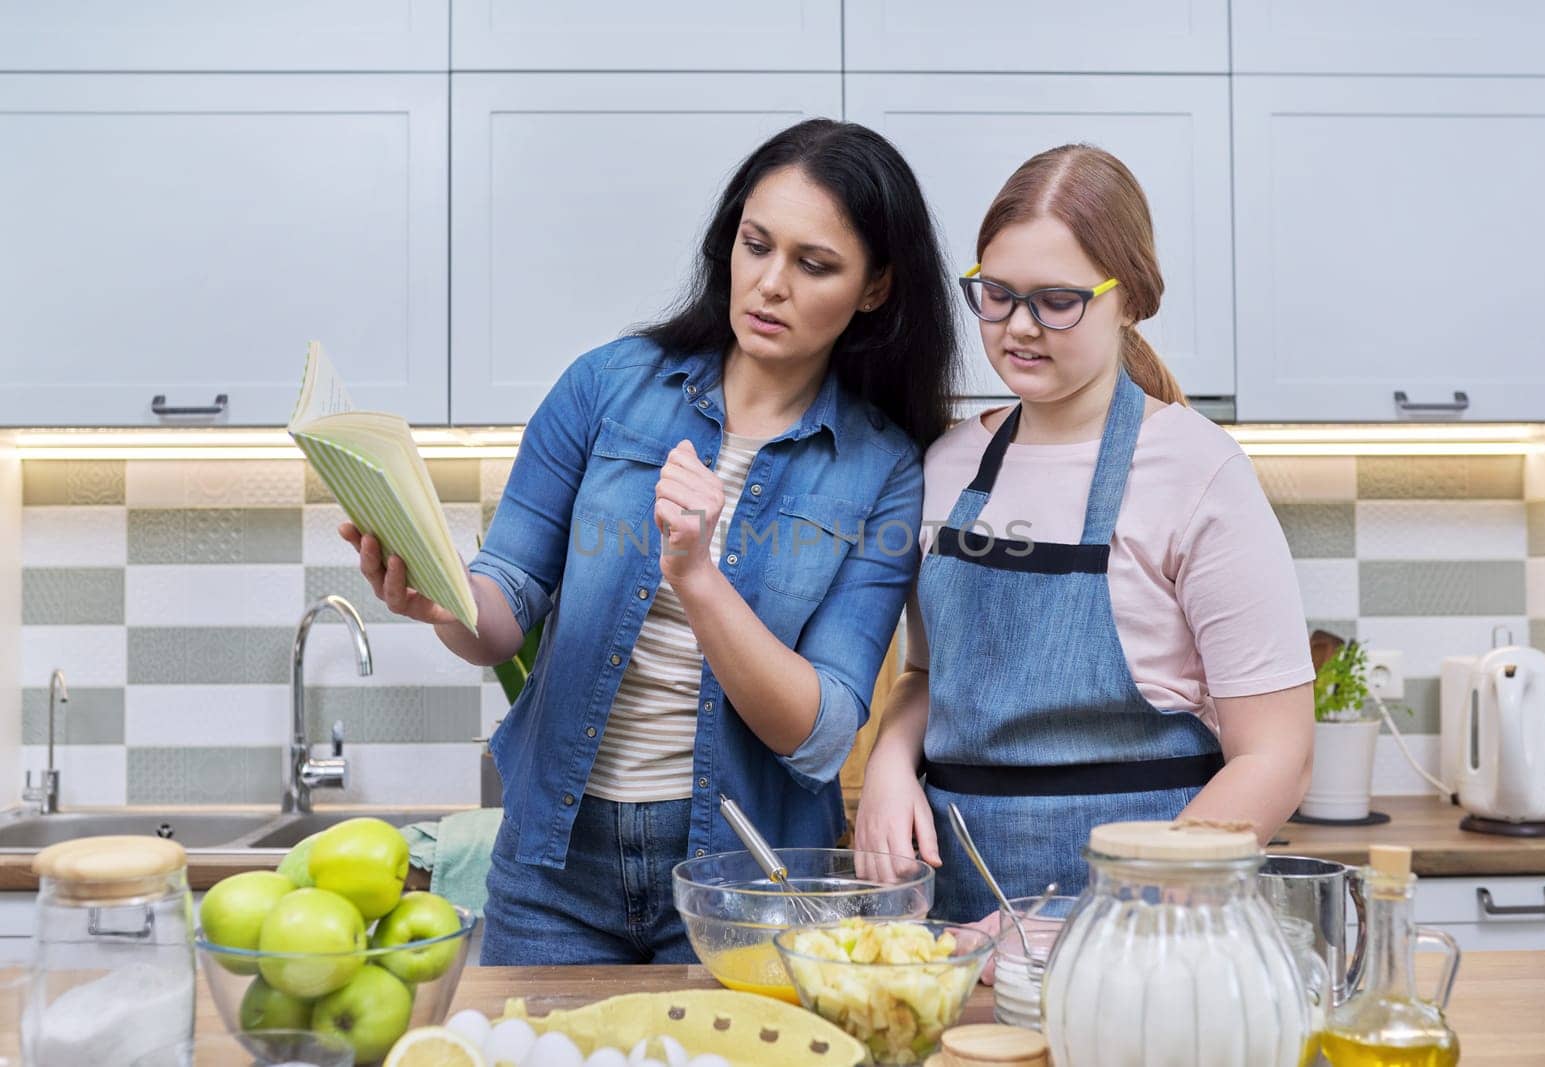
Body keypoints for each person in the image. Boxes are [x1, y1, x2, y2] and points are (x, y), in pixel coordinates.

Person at [341, 118, 959, 962]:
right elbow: (503, 611)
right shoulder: (607, 387)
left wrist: (699, 578)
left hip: (746, 880)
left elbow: (817, 732)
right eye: (756, 244)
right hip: (552, 869)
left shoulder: (883, 468)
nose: (770, 283)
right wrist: (437, 598)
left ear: (876, 287)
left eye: (814, 265)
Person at [853, 144, 1315, 920]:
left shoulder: (1199, 471)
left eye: (1056, 300)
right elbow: (930, 678)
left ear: (1128, 297)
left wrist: (1116, 915)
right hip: (954, 923)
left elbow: (1278, 756)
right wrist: (889, 764)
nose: (1018, 328)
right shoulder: (948, 465)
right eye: (996, 294)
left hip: (1150, 926)